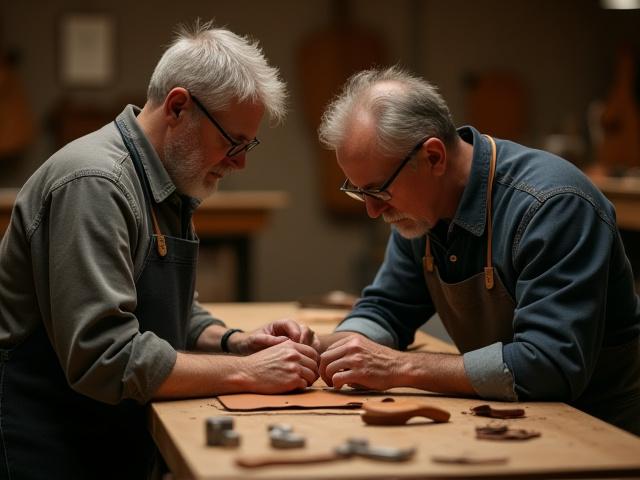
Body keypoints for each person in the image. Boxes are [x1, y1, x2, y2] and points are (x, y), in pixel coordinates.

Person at [0, 20, 319, 479]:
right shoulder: (97, 184)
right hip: (49, 441)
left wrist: (238, 344)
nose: (241, 162)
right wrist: (247, 374)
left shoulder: (164, 181)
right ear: (178, 107)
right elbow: (106, 358)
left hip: (110, 434)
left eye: (249, 144)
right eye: (233, 142)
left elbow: (171, 313)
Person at [316, 66, 640, 436]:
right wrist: (325, 351)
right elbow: (387, 308)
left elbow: (549, 365)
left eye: (378, 192)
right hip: (510, 417)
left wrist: (398, 368)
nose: (372, 211)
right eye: (360, 192)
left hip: (600, 432)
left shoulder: (552, 206)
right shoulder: (420, 210)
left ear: (434, 157)